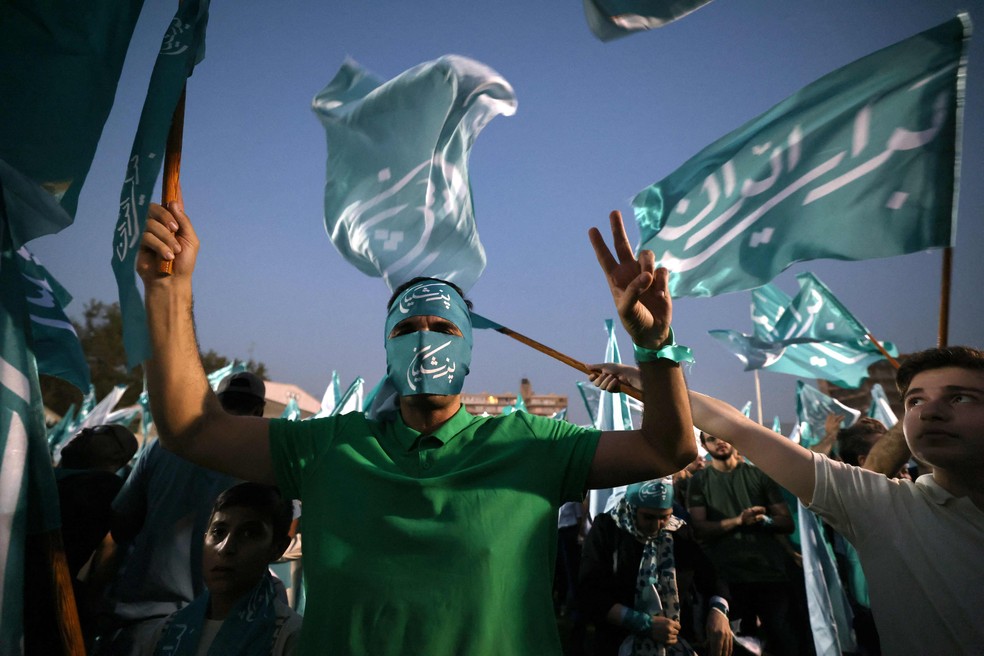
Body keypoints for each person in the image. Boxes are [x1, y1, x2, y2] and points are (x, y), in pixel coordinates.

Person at [135, 205, 696, 655]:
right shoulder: (327, 447)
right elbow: (191, 427)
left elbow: (667, 447)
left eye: (443, 326)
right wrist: (169, 287)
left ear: (470, 351)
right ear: (386, 348)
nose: (425, 340)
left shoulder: (532, 445)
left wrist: (654, 346)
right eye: (406, 327)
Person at [592, 347, 984, 654]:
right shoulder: (881, 506)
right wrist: (653, 384)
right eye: (914, 401)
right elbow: (740, 427)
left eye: (961, 398)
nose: (930, 411)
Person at [94, 372, 267, 654]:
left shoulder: (163, 446)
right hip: (206, 631)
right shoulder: (262, 463)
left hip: (134, 622)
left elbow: (121, 525)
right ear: (258, 411)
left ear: (215, 404)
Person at [137, 482, 302, 656]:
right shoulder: (166, 632)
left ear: (277, 548)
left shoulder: (290, 637)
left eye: (249, 533)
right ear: (204, 538)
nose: (226, 548)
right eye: (218, 532)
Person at [578, 478, 732, 656]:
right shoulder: (608, 529)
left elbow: (711, 576)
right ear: (632, 508)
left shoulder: (679, 532)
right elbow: (590, 592)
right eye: (648, 517)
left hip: (673, 643)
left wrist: (719, 611)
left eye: (664, 517)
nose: (656, 525)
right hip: (617, 641)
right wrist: (643, 623)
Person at [685, 432, 802, 655]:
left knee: (785, 645)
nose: (720, 441)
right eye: (711, 438)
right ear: (704, 445)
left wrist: (765, 520)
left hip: (770, 576)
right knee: (735, 649)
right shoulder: (699, 481)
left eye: (722, 435)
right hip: (728, 581)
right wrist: (739, 521)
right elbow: (699, 528)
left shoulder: (758, 475)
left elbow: (786, 522)